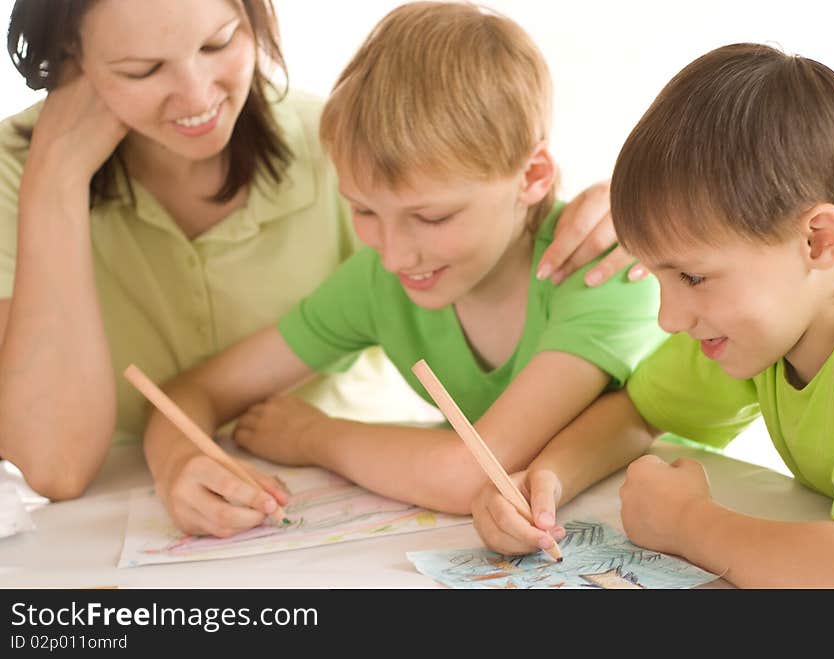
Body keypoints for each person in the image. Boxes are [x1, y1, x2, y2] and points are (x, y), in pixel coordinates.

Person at [0, 0, 637, 501]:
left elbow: (502, 198)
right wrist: (54, 178)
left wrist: (645, 204)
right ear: (71, 61)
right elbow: (65, 460)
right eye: (141, 70)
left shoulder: (347, 147)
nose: (393, 253)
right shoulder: (380, 270)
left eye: (218, 42)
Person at [144, 1, 667, 538]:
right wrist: (179, 466)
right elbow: (190, 394)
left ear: (532, 176)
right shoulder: (380, 279)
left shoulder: (603, 274)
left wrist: (313, 436)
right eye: (364, 210)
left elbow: (467, 474)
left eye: (431, 216)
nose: (394, 256)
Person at [471, 42, 834, 588]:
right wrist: (543, 482)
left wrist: (686, 521)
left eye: (692, 278)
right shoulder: (773, 330)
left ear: (817, 240)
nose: (668, 319)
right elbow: (637, 414)